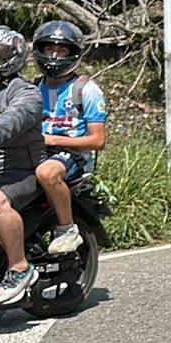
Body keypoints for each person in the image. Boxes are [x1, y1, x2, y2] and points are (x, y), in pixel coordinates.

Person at [32, 21, 107, 254]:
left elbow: (97, 141)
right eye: (49, 49)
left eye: (62, 50)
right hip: (37, 151)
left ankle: (67, 228)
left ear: (73, 53)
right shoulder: (32, 88)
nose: (54, 55)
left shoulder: (86, 89)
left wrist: (53, 140)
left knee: (47, 172)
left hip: (72, 156)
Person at [0, 26, 43, 305]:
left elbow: (10, 123)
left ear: (9, 58)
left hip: (20, 170)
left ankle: (19, 267)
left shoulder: (25, 93)